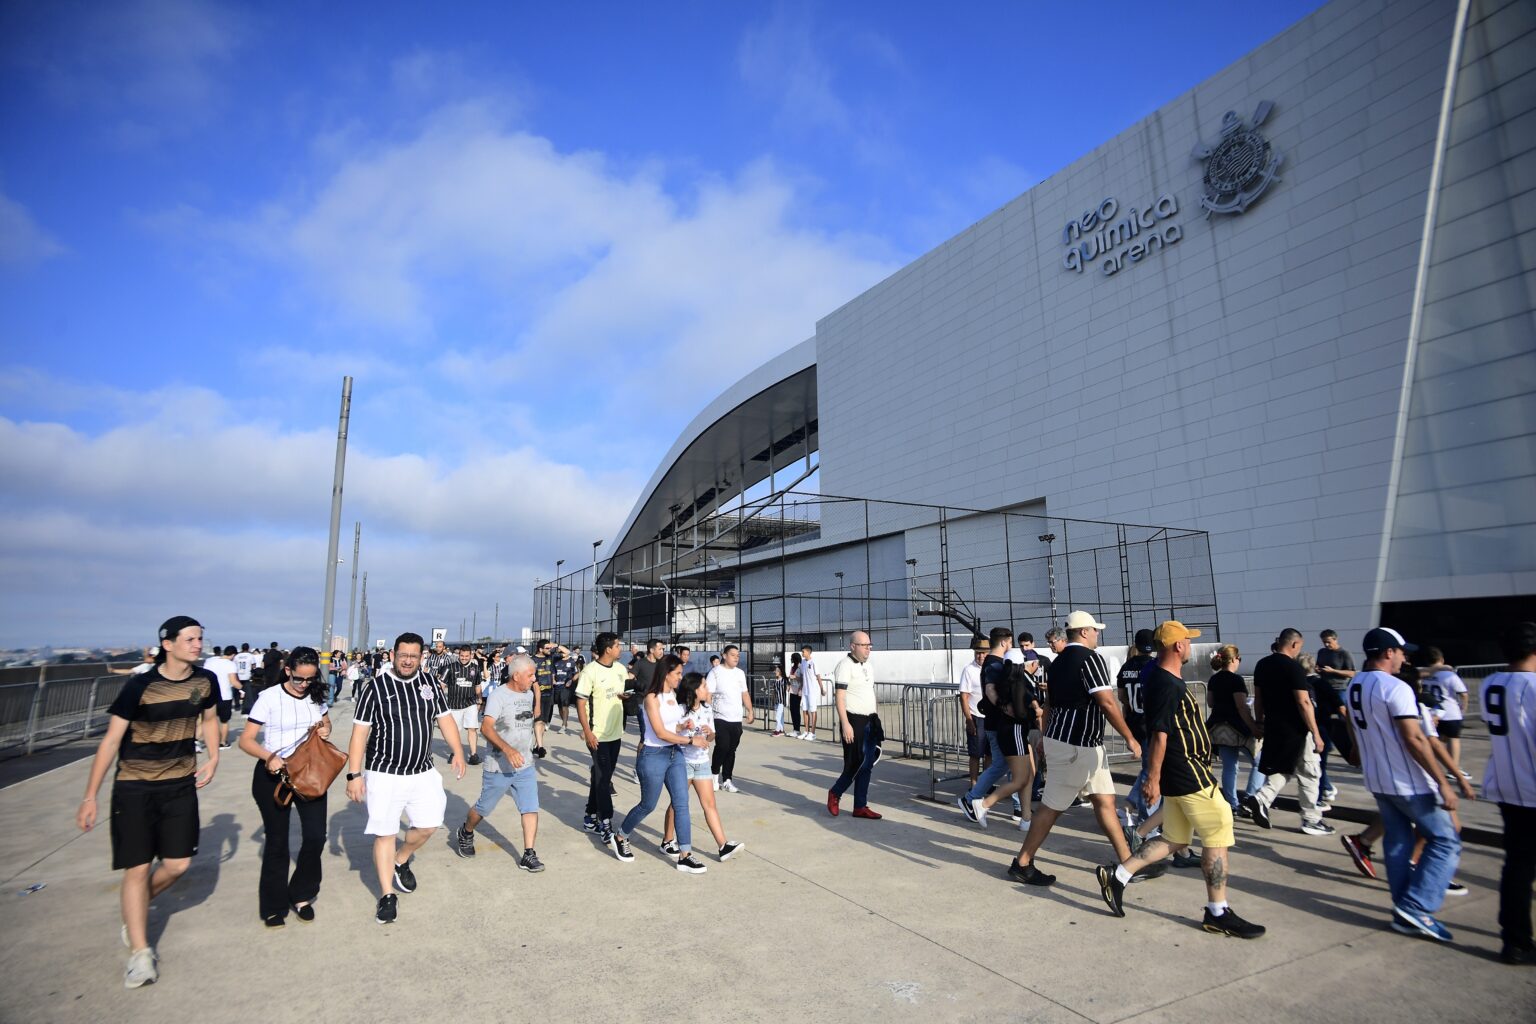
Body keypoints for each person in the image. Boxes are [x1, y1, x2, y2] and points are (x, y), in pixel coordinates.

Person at [1095, 622, 1265, 939]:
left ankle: (1117, 875)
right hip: (1185, 770)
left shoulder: (1167, 678)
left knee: (1174, 837)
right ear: (1178, 646)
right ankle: (1218, 912)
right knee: (1218, 828)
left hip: (1184, 768)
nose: (1189, 644)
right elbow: (1159, 733)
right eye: (1187, 640)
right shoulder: (1165, 683)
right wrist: (1153, 778)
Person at [76, 615, 219, 989]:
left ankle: (134, 910)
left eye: (200, 639)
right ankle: (140, 953)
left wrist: (214, 757)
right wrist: (90, 796)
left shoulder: (206, 681)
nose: (197, 645)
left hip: (180, 784)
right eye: (189, 639)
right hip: (134, 787)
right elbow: (110, 742)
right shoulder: (139, 686)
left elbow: (208, 719)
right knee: (137, 869)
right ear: (167, 644)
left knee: (177, 865)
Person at [1345, 627, 1470, 942]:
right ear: (1388, 652)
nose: (1404, 658)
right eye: (1401, 652)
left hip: (1378, 779)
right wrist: (1443, 782)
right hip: (1408, 781)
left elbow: (1353, 732)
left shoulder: (1355, 685)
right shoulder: (1395, 687)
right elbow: (1414, 738)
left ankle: (1404, 909)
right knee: (1446, 840)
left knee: (1398, 842)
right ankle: (1417, 906)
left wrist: (1359, 754)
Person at [1008, 611, 1140, 887]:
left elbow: (1049, 705)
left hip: (1078, 744)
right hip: (1076, 746)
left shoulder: (1057, 663)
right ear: (1083, 632)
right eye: (1094, 630)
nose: (1097, 634)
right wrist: (1130, 736)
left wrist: (1045, 737)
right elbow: (1105, 701)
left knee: (1105, 802)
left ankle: (1129, 865)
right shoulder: (1090, 659)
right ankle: (1022, 862)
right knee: (1051, 808)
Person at [345, 632, 466, 925]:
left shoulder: (429, 685)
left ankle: (401, 860)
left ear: (421, 657)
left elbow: (445, 718)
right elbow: (360, 733)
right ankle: (387, 896)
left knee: (429, 825)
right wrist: (354, 774)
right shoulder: (375, 688)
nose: (408, 661)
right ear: (392, 656)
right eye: (403, 655)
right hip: (384, 774)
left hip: (422, 771)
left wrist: (458, 752)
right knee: (385, 833)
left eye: (414, 656)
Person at [240, 646, 332, 927]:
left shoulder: (316, 696)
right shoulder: (269, 697)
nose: (304, 685)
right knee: (277, 841)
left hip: (309, 773)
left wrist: (325, 729)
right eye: (299, 679)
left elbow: (326, 724)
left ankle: (302, 893)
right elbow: (246, 740)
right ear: (288, 671)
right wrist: (268, 756)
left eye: (310, 679)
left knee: (316, 836)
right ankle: (273, 905)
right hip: (273, 775)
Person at [612, 654, 710, 872]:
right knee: (648, 804)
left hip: (675, 755)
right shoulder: (651, 698)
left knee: (681, 804)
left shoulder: (673, 696)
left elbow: (671, 729)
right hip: (653, 756)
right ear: (666, 673)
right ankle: (620, 836)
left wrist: (683, 727)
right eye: (677, 673)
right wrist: (691, 739)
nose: (680, 678)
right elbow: (659, 732)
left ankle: (685, 855)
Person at [456, 653, 544, 872]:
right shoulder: (498, 696)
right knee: (484, 807)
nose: (534, 679)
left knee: (530, 808)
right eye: (530, 675)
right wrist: (507, 749)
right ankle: (466, 831)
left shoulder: (528, 694)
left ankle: (529, 854)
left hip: (525, 765)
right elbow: (486, 728)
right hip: (499, 766)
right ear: (516, 675)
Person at [1480, 621, 1536, 965]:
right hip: (1531, 786)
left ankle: (1514, 940)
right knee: (1521, 864)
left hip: (1505, 783)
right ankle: (1517, 941)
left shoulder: (1491, 683)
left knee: (1517, 864)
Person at [1242, 629, 1333, 836]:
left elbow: (1259, 698)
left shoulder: (1262, 665)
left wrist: (1259, 722)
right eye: (1299, 647)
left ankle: (1260, 798)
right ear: (1294, 644)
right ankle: (1311, 819)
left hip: (1274, 726)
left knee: (1284, 769)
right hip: (1297, 728)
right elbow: (1304, 702)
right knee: (1310, 772)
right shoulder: (1294, 668)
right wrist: (1316, 733)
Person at [663, 671, 745, 861]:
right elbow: (669, 732)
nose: (707, 689)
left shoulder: (707, 709)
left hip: (702, 762)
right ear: (694, 690)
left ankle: (723, 845)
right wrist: (683, 729)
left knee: (710, 804)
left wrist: (709, 733)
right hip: (682, 762)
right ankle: (667, 841)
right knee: (678, 803)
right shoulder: (679, 709)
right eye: (704, 686)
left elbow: (711, 736)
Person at [969, 629, 1038, 829]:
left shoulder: (1012, 679)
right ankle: (981, 803)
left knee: (1026, 775)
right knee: (1019, 778)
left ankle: (1025, 817)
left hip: (1013, 730)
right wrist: (1033, 712)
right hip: (1012, 731)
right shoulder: (1012, 680)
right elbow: (1014, 706)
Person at [576, 632, 628, 842]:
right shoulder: (590, 671)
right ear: (608, 649)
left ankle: (589, 816)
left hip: (616, 733)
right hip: (597, 735)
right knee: (604, 779)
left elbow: (621, 692)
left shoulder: (621, 669)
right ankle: (605, 822)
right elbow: (580, 703)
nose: (620, 649)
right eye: (617, 646)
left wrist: (624, 696)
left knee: (601, 776)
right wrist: (587, 732)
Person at [827, 631, 884, 819]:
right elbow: (840, 697)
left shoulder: (868, 666)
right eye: (864, 645)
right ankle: (835, 793)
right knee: (855, 763)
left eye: (870, 645)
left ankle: (860, 805)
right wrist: (845, 724)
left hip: (870, 720)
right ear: (853, 646)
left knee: (867, 765)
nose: (868, 648)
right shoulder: (844, 666)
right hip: (854, 720)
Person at [1205, 645, 1263, 814]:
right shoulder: (1236, 680)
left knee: (1230, 767)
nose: (1239, 661)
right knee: (1259, 763)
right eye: (1239, 659)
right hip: (1238, 727)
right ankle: (1250, 798)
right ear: (1232, 659)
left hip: (1218, 728)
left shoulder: (1214, 680)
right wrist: (1253, 727)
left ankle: (1231, 803)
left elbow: (1210, 703)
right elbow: (1241, 707)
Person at [1118, 629, 1157, 828]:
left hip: (1134, 721)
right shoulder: (1154, 666)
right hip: (1150, 723)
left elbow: (1122, 696)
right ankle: (1140, 810)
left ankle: (1130, 803)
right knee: (1150, 770)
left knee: (1147, 768)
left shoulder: (1126, 667)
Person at [1420, 648, 1470, 780]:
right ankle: (1453, 767)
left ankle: (1435, 765)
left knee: (1436, 740)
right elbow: (1463, 693)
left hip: (1433, 712)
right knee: (1453, 739)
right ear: (1441, 660)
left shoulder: (1424, 675)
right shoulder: (1449, 675)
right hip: (1450, 712)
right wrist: (1463, 707)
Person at [708, 644, 753, 792]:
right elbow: (708, 695)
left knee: (731, 750)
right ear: (724, 655)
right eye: (733, 655)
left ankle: (727, 779)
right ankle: (714, 776)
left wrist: (750, 710)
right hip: (720, 716)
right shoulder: (715, 672)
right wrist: (706, 715)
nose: (736, 658)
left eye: (738, 655)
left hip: (736, 718)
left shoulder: (740, 673)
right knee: (723, 746)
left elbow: (744, 693)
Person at [441, 645, 485, 765]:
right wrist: (439, 701)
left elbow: (477, 686)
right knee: (455, 731)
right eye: (462, 656)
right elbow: (442, 685)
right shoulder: (450, 667)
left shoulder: (475, 668)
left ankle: (473, 755)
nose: (464, 658)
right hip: (454, 705)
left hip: (470, 703)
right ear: (458, 655)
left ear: (471, 655)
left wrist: (480, 700)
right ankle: (455, 753)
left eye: (467, 656)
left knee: (472, 728)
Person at [956, 637, 988, 786]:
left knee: (990, 753)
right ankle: (974, 784)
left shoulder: (992, 667)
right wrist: (969, 719)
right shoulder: (969, 670)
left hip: (991, 717)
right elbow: (964, 697)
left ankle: (986, 783)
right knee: (975, 754)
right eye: (978, 653)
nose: (980, 656)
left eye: (983, 653)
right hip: (976, 716)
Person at [203, 644, 240, 749]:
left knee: (208, 720)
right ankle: (222, 742)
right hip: (224, 695)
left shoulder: (209, 661)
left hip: (209, 695)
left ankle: (199, 741)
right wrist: (244, 688)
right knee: (224, 721)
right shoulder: (230, 664)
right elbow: (233, 681)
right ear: (233, 655)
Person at [530, 639, 555, 757]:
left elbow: (567, 653)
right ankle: (540, 746)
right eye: (547, 648)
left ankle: (537, 746)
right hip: (537, 694)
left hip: (549, 694)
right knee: (538, 720)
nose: (550, 650)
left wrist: (555, 645)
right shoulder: (532, 661)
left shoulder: (550, 657)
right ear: (540, 649)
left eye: (550, 648)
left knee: (543, 722)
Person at [796, 644, 822, 740]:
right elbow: (802, 676)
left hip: (812, 691)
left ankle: (813, 733)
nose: (802, 653)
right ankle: (806, 731)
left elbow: (818, 676)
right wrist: (800, 687)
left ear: (808, 652)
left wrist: (822, 688)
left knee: (813, 711)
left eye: (803, 651)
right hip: (805, 691)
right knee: (804, 710)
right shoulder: (803, 662)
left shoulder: (814, 662)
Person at [770, 661, 788, 737]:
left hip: (781, 701)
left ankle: (777, 731)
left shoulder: (784, 680)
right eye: (775, 671)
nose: (775, 672)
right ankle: (781, 730)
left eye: (777, 671)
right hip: (776, 701)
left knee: (778, 716)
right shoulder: (775, 681)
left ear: (780, 672)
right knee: (780, 716)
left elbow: (787, 688)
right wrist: (772, 699)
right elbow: (774, 691)